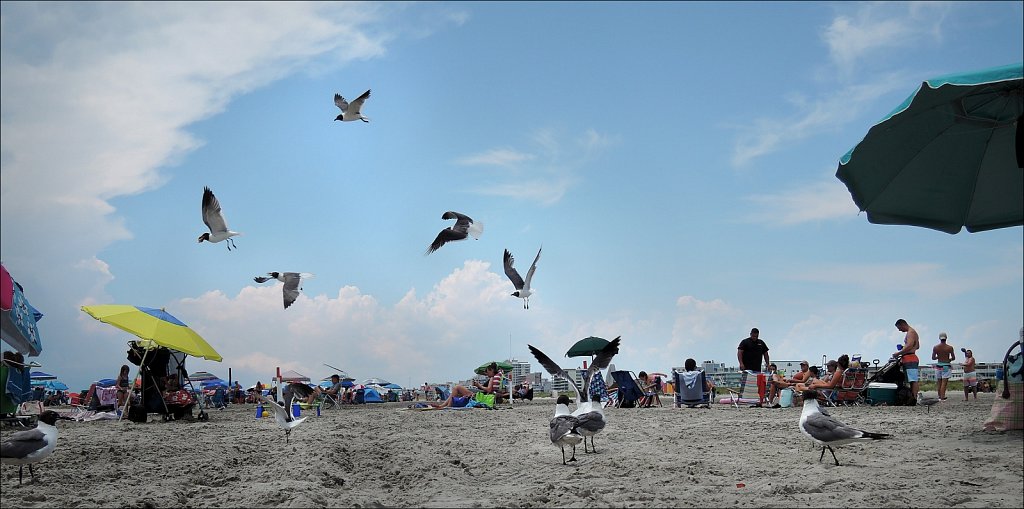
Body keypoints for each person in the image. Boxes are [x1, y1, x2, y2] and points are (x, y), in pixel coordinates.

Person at [431, 363, 501, 409]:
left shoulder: (492, 378)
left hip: (478, 397)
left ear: (491, 370)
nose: (486, 374)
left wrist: (479, 385)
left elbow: (488, 390)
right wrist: (478, 386)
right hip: (480, 395)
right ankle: (443, 405)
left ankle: (446, 406)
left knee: (457, 388)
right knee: (456, 391)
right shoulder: (495, 378)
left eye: (487, 372)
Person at [894, 319, 921, 400]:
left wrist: (898, 353)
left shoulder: (911, 332)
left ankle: (914, 398)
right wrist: (904, 348)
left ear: (902, 324)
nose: (899, 330)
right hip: (909, 357)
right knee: (911, 379)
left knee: (913, 379)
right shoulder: (912, 333)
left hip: (911, 358)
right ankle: (912, 396)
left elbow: (909, 346)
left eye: (899, 328)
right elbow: (917, 346)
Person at [932, 332, 955, 401]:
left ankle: (939, 396)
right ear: (946, 338)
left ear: (939, 338)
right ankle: (942, 396)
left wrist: (938, 357)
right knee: (944, 383)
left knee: (939, 382)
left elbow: (933, 357)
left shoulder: (936, 347)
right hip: (946, 365)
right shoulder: (950, 347)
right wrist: (949, 359)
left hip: (938, 366)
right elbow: (953, 357)